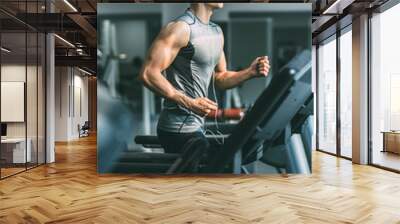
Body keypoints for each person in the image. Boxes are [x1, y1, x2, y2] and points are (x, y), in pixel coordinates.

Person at [139, 3, 270, 170]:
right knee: (222, 165)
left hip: (197, 126)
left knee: (239, 156)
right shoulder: (180, 28)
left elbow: (220, 78)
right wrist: (189, 103)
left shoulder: (216, 31)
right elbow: (148, 73)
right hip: (177, 128)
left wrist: (250, 72)